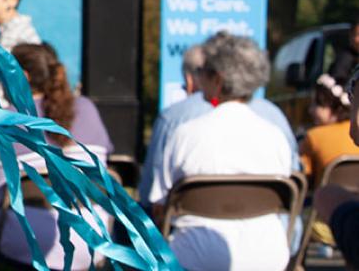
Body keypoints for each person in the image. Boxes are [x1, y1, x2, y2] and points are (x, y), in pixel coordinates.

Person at [0, 43, 112, 270]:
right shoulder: (87, 108)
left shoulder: (1, 122)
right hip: (91, 248)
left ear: (22, 76)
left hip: (20, 249)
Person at [148, 32, 293, 271]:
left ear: (218, 79)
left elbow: (159, 205)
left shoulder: (185, 134)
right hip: (268, 256)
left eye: (203, 70)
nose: (198, 76)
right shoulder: (275, 136)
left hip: (195, 256)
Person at [139, 43, 300, 207]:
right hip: (269, 231)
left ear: (217, 78)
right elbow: (294, 185)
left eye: (204, 72)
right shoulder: (276, 126)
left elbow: (153, 199)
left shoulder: (179, 128)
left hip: (193, 230)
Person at [299, 66, 359, 247]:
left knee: (321, 197)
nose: (310, 110)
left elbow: (302, 176)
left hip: (326, 222)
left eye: (317, 104)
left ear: (332, 107)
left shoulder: (314, 136)